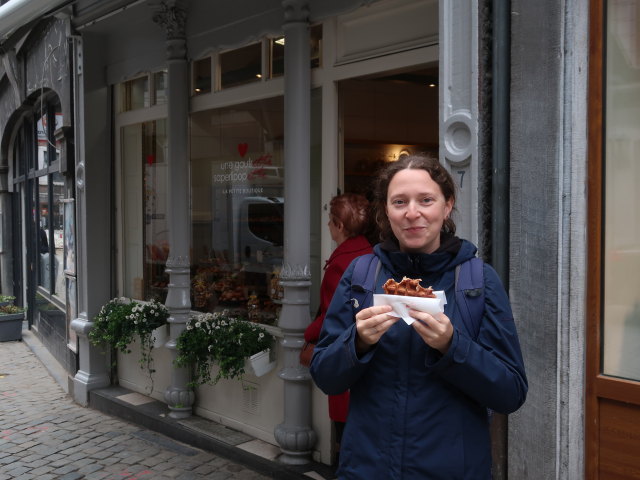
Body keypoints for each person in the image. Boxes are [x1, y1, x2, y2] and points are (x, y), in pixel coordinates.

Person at [310, 154, 527, 479]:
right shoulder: (361, 276)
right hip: (367, 469)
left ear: (447, 205)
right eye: (400, 202)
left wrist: (452, 346)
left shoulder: (476, 282)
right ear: (386, 210)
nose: (413, 213)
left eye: (426, 200)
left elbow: (511, 392)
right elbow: (326, 376)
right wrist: (358, 342)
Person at [303, 193, 373, 464]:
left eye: (330, 222)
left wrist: (308, 335)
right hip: (365, 352)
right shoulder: (369, 254)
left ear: (340, 226)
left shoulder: (341, 264)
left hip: (345, 353)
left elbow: (334, 314)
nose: (328, 227)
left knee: (347, 432)